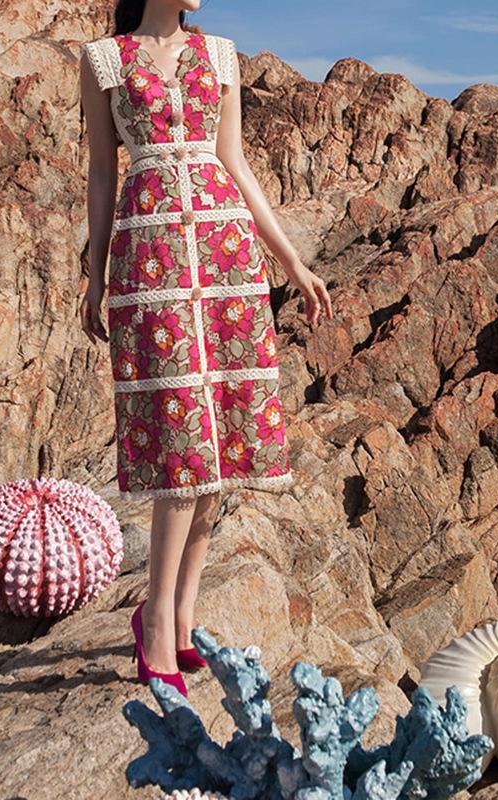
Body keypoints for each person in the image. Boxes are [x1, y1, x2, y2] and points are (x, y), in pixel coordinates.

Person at [79, 0, 333, 696]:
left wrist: (291, 262)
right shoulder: (103, 59)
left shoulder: (220, 53)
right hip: (152, 254)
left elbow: (236, 163)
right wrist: (94, 275)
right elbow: (104, 174)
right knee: (182, 441)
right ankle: (153, 620)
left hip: (224, 258)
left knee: (223, 442)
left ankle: (183, 616)